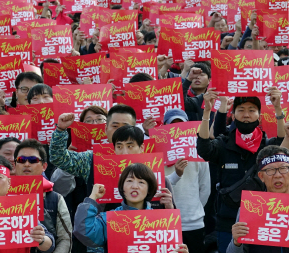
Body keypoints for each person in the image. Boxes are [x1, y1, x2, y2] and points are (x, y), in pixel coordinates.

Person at [198, 87, 286, 251]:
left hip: (263, 217)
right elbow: (204, 149)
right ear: (233, 115)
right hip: (228, 221)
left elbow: (283, 141)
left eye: (252, 110)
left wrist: (278, 108)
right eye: (241, 110)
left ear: (259, 117)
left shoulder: (266, 146)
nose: (246, 115)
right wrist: (207, 112)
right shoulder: (223, 143)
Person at [73, 164, 188, 253]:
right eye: (129, 181)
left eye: (141, 182)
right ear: (122, 187)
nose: (135, 186)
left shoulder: (162, 222)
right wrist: (93, 198)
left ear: (149, 189)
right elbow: (84, 231)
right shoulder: (111, 219)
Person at [163, 109, 211, 253]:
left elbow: (205, 188)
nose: (177, 130)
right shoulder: (156, 152)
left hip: (193, 223)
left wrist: (194, 210)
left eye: (181, 125)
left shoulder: (198, 152)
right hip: (165, 222)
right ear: (164, 127)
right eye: (172, 125)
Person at [14, 139, 73, 253]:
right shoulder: (1, 195)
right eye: (21, 160)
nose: (27, 164)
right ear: (15, 164)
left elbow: (65, 239)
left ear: (44, 166)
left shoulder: (55, 198)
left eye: (33, 160)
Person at [228, 145, 289, 252]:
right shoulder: (250, 208)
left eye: (283, 168)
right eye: (270, 170)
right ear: (261, 177)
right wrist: (236, 242)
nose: (278, 175)